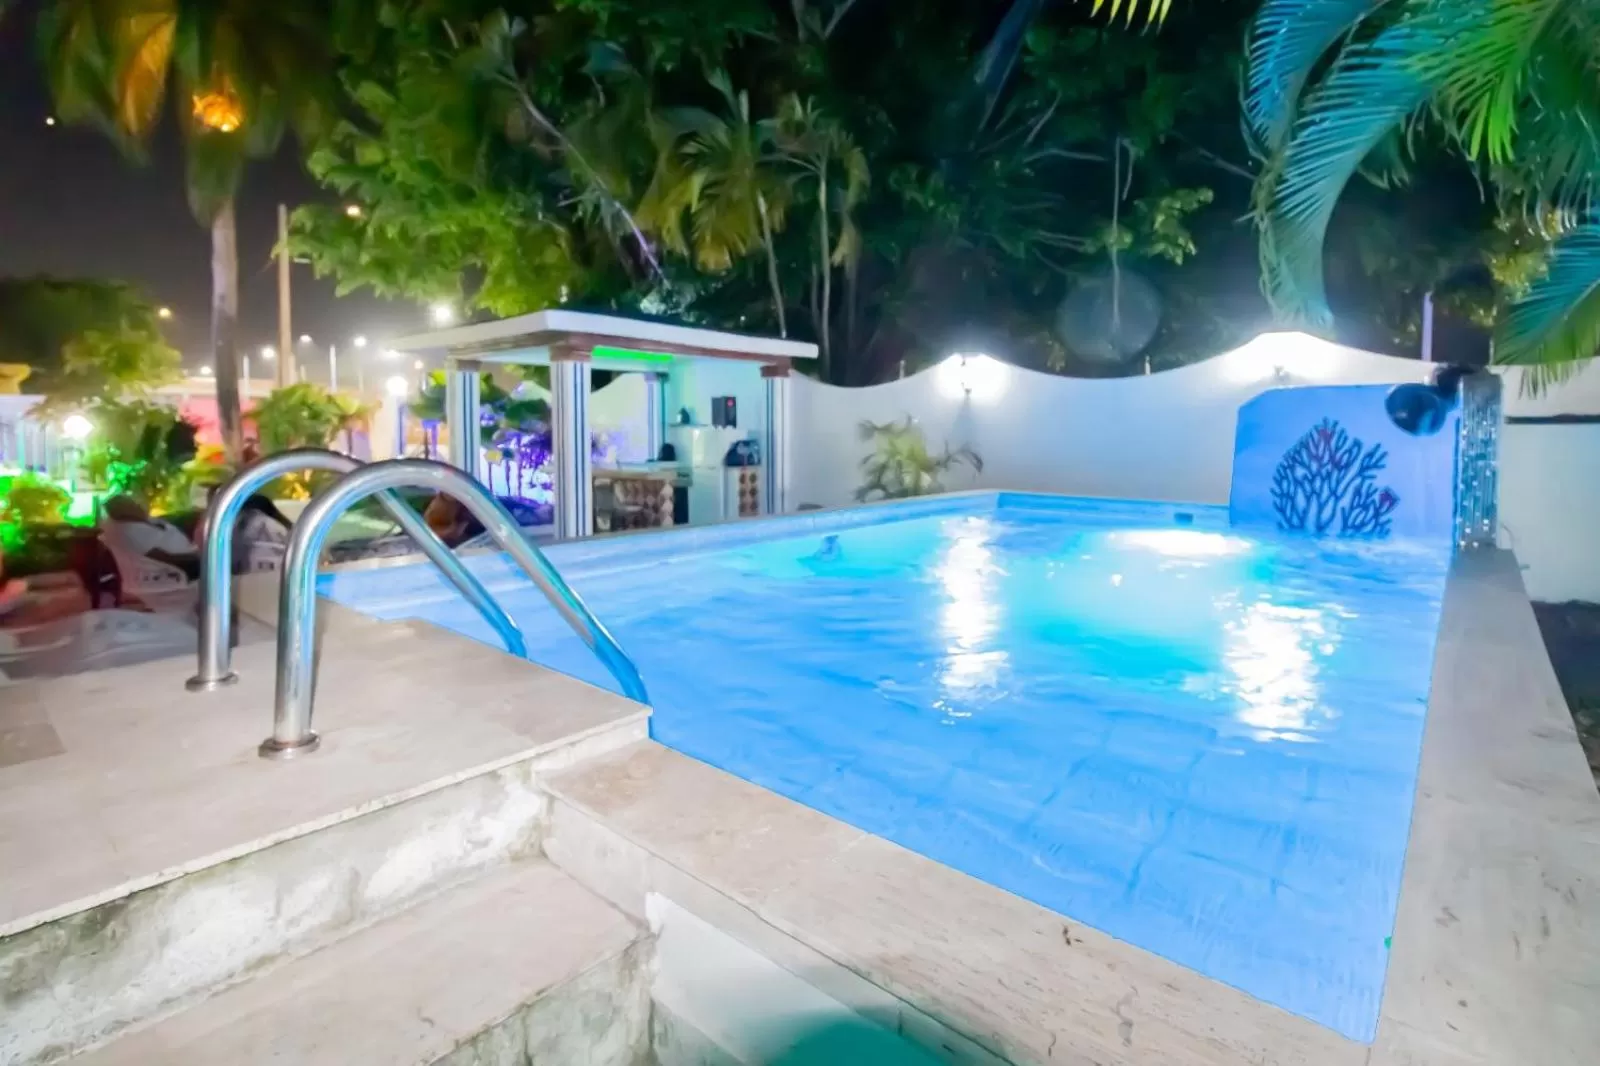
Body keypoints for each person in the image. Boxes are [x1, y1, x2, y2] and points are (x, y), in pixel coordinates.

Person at [101, 494, 202, 580]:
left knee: (194, 516)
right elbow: (166, 559)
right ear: (123, 513)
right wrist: (198, 555)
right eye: (133, 504)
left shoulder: (137, 520)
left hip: (187, 547)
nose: (138, 505)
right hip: (184, 564)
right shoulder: (131, 532)